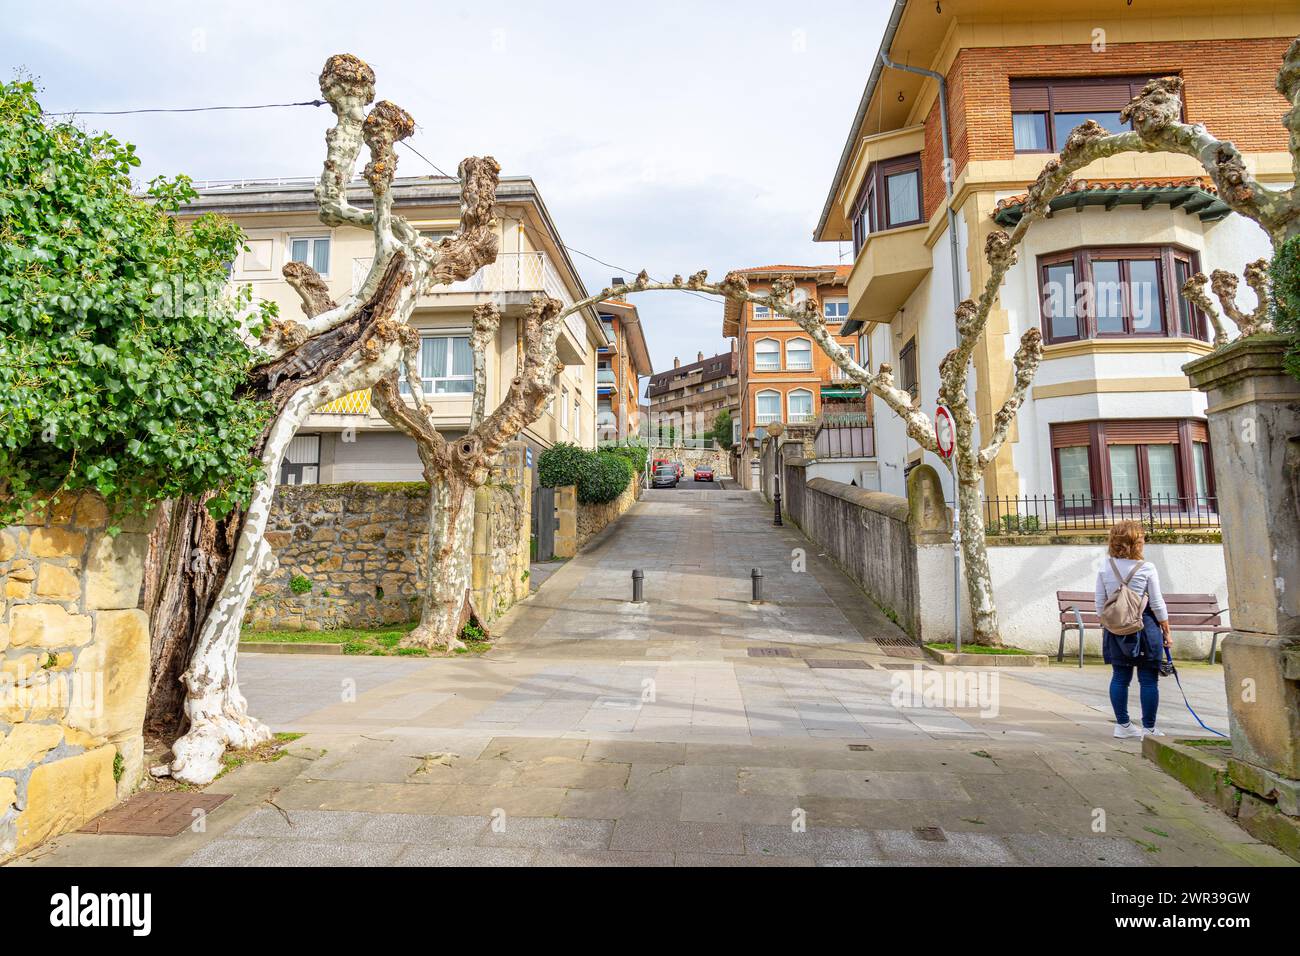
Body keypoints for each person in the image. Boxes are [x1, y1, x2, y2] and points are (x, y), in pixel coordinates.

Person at [1096, 519, 1171, 739]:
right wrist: (1166, 629)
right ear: (1136, 543)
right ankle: (1148, 728)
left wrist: (1109, 625)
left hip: (1115, 629)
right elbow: (1157, 603)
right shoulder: (1146, 568)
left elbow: (1100, 603)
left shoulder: (1105, 567)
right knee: (1148, 679)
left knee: (1120, 677)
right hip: (1144, 627)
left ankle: (1122, 725)